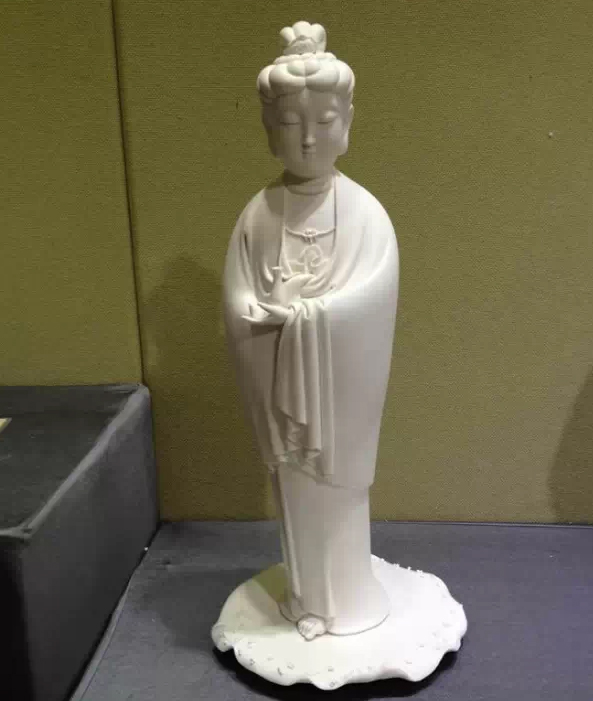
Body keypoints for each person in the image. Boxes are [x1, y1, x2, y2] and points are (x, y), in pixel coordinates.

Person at [223, 21, 399, 640]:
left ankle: (348, 599)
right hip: (285, 392)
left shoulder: (365, 213)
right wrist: (261, 316)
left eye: (323, 121)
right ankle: (307, 599)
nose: (307, 138)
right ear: (269, 129)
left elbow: (375, 296)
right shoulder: (258, 215)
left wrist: (304, 316)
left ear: (347, 123)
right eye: (291, 123)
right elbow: (237, 295)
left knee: (338, 490)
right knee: (296, 492)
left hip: (335, 401)